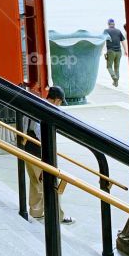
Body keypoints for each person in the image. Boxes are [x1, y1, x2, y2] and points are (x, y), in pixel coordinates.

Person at [23, 85, 74, 225]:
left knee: (36, 182)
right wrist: (49, 145)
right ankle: (58, 215)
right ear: (57, 100)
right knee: (52, 182)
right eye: (60, 102)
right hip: (40, 152)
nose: (60, 104)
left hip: (28, 148)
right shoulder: (46, 110)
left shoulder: (37, 105)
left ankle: (36, 212)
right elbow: (39, 130)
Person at [104, 18, 127, 87]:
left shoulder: (106, 31)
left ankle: (114, 77)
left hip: (111, 52)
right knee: (117, 68)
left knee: (109, 66)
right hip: (119, 52)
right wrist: (126, 50)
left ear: (108, 24)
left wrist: (102, 51)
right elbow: (123, 41)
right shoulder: (118, 31)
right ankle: (116, 82)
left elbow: (103, 41)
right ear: (114, 24)